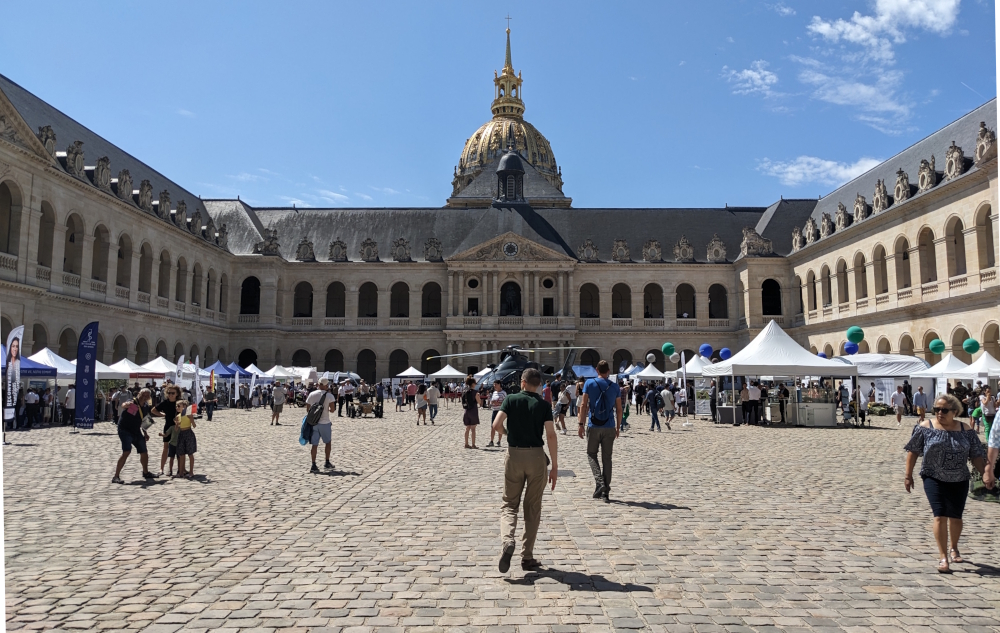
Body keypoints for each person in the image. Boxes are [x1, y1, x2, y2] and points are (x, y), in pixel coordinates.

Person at [904, 394, 988, 573]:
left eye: (944, 410)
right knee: (940, 515)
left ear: (955, 412)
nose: (939, 413)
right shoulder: (925, 427)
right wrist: (908, 476)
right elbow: (913, 451)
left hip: (959, 478)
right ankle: (943, 557)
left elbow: (976, 455)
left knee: (956, 516)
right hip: (933, 476)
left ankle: (954, 547)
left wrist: (985, 475)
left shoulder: (966, 430)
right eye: (937, 409)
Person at [492, 368, 557, 573]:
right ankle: (527, 557)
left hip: (514, 455)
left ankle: (507, 540)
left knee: (509, 504)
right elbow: (551, 435)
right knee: (532, 507)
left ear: (522, 382)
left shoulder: (511, 399)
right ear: (539, 385)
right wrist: (555, 466)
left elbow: (496, 424)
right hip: (536, 456)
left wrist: (508, 433)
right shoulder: (544, 405)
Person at [578, 360, 622, 503]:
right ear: (608, 371)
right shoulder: (615, 386)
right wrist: (618, 427)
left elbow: (583, 405)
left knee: (591, 454)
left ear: (596, 370)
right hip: (609, 425)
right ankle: (605, 492)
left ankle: (600, 482)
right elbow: (619, 409)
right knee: (607, 459)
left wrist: (581, 424)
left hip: (594, 425)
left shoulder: (589, 383)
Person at [112, 389, 156, 483]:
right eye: (143, 394)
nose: (144, 397)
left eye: (147, 395)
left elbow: (144, 420)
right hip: (125, 430)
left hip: (136, 431)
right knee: (126, 451)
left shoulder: (146, 406)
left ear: (149, 397)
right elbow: (124, 405)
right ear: (139, 394)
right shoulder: (132, 401)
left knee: (144, 451)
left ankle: (146, 472)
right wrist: (126, 405)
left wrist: (145, 433)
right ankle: (116, 476)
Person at [305, 379, 337, 473]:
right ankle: (327, 462)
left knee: (314, 444)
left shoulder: (312, 394)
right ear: (326, 385)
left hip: (314, 423)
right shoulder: (329, 396)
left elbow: (308, 409)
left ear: (318, 384)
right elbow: (332, 410)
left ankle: (313, 464)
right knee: (328, 442)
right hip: (325, 423)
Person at [151, 385, 180, 476]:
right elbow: (153, 410)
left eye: (173, 393)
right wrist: (163, 415)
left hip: (178, 428)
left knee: (179, 448)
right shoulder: (165, 403)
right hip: (168, 426)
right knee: (166, 448)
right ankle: (161, 468)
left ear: (177, 394)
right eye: (169, 393)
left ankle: (180, 468)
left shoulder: (180, 402)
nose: (170, 395)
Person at [174, 400, 197, 479]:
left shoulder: (188, 415)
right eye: (176, 406)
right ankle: (181, 472)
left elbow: (194, 425)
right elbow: (176, 430)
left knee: (190, 454)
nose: (177, 408)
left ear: (184, 407)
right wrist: (176, 424)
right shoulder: (178, 416)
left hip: (188, 433)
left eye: (178, 406)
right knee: (181, 454)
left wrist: (191, 419)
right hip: (181, 434)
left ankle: (191, 472)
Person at [462, 376, 482, 448]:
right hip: (473, 411)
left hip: (466, 410)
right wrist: (479, 397)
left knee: (467, 428)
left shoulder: (465, 391)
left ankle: (466, 444)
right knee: (473, 429)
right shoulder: (475, 392)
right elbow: (479, 402)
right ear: (473, 384)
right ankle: (473, 444)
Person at [487, 380, 507, 447]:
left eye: (495, 384)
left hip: (500, 411)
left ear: (499, 384)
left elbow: (505, 402)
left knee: (499, 426)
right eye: (494, 384)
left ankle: (499, 441)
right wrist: (492, 402)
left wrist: (499, 403)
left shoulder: (503, 393)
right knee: (492, 426)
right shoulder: (494, 393)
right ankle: (491, 441)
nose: (494, 386)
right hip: (494, 410)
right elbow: (491, 401)